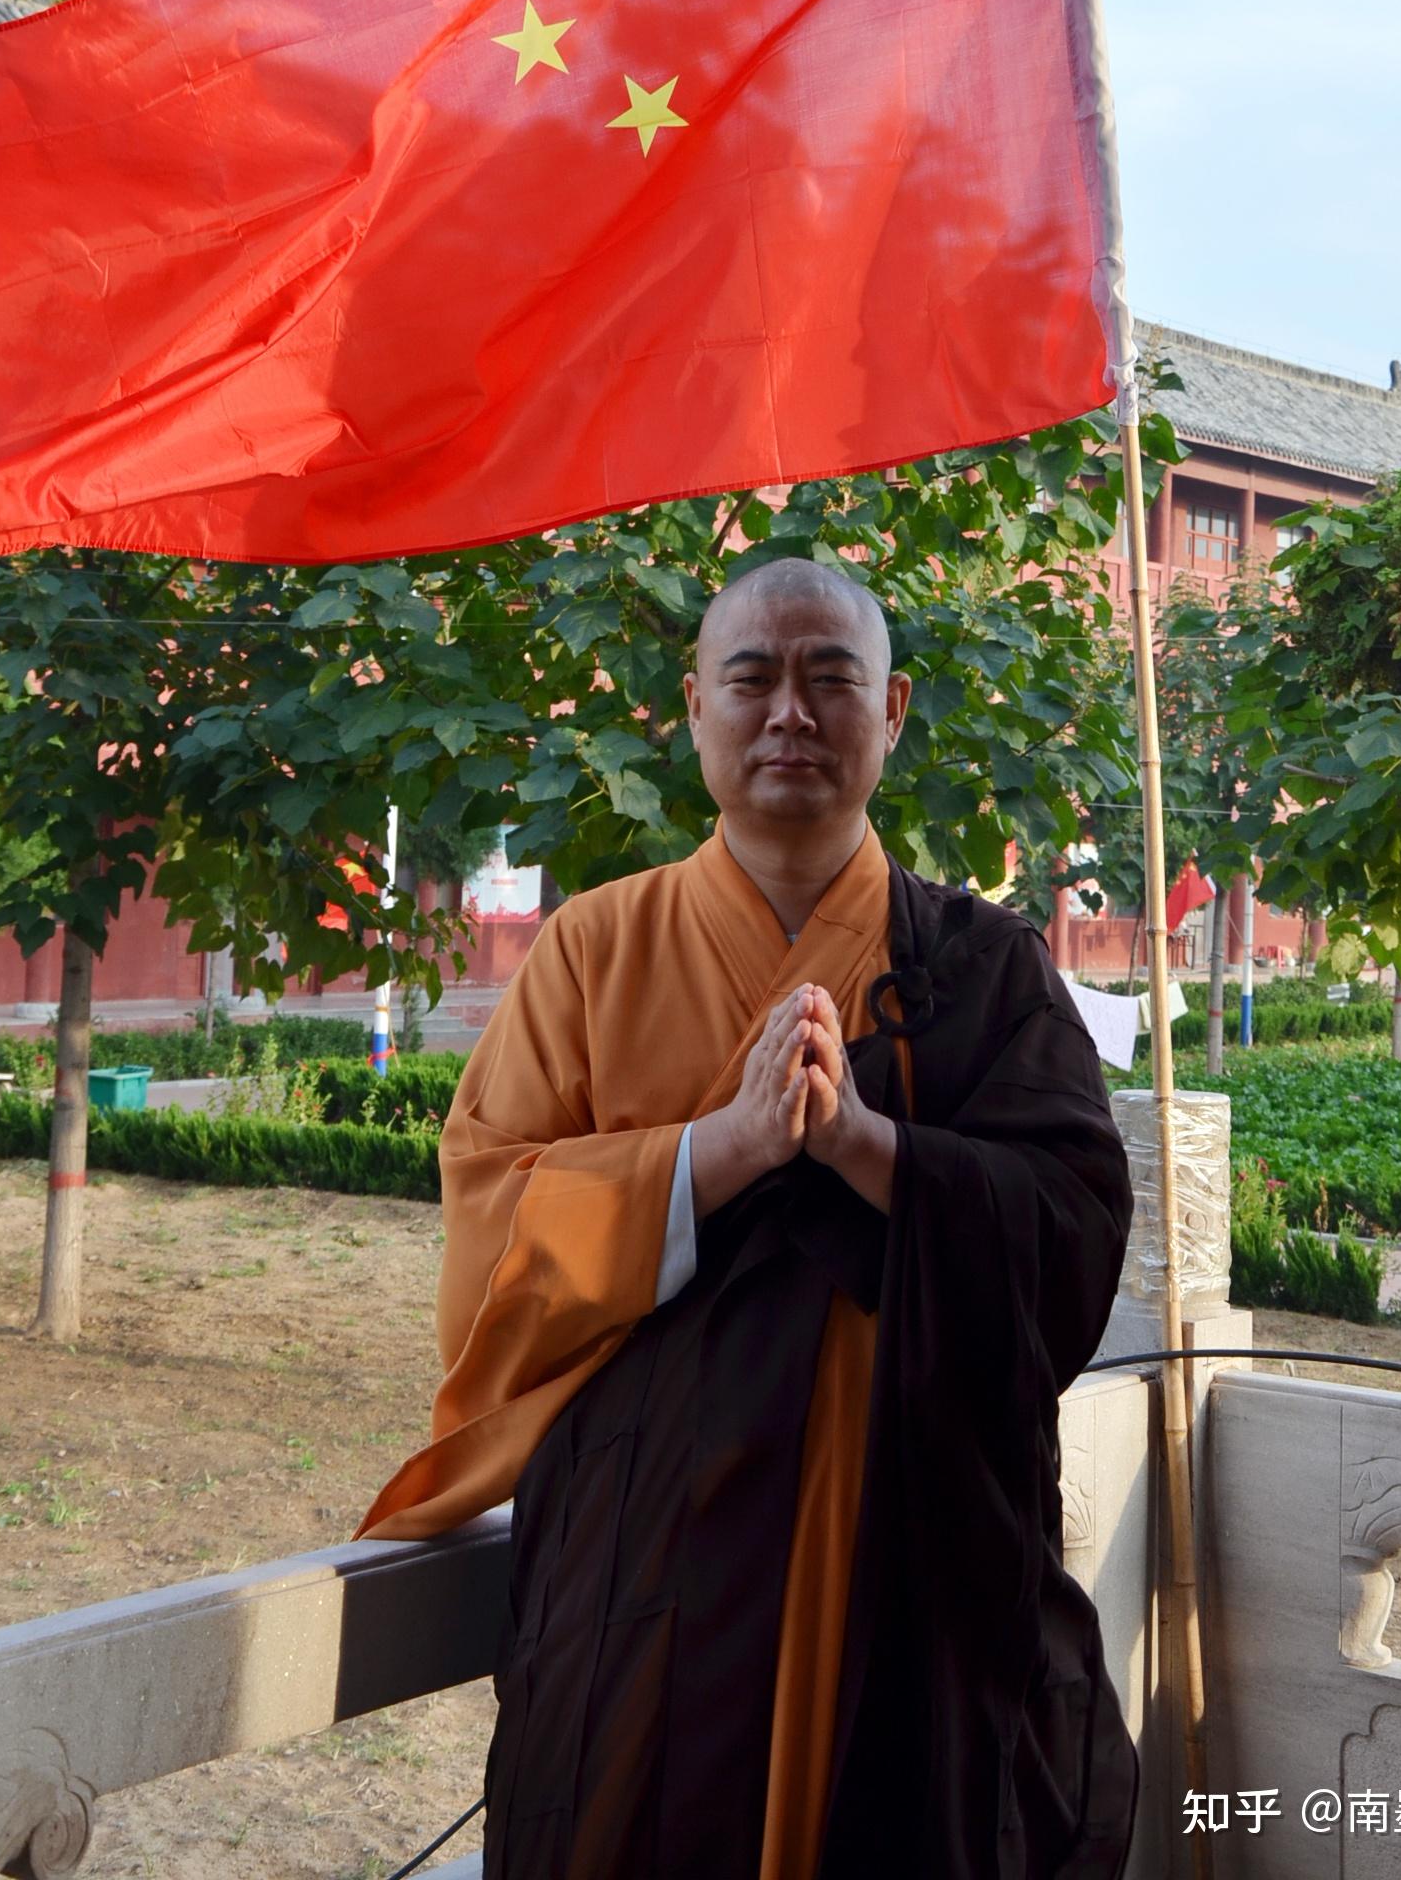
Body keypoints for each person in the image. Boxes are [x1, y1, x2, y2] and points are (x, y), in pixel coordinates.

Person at [357, 556, 1139, 1879]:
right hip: (643, 1566)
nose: (792, 712)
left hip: (917, 1565)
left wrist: (864, 1145)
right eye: (754, 677)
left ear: (892, 714)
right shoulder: (592, 951)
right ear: (695, 710)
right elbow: (494, 1236)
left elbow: (1072, 1229)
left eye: (832, 679)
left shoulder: (988, 968)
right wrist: (715, 1154)